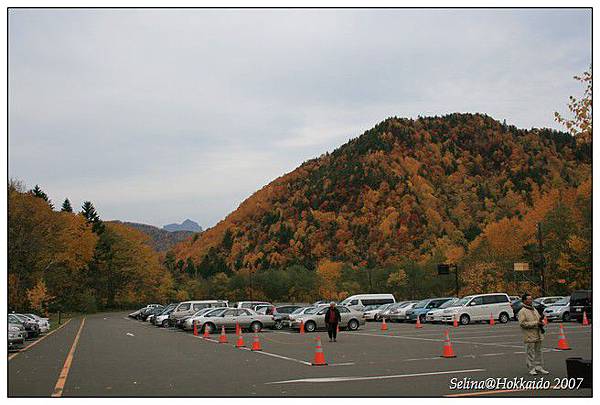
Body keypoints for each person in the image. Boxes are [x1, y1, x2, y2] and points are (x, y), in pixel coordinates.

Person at [518, 293, 549, 375]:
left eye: (531, 299)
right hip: (529, 335)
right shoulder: (522, 311)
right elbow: (522, 323)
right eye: (528, 299)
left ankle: (539, 367)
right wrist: (536, 323)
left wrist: (541, 323)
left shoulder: (534, 309)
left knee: (538, 351)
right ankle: (531, 368)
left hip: (538, 334)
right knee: (530, 352)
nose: (530, 300)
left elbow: (539, 319)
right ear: (524, 301)